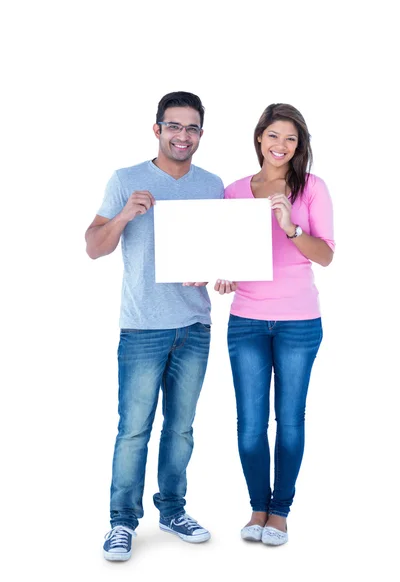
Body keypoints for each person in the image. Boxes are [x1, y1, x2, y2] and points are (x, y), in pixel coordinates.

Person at [85, 91, 224, 561]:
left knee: (181, 428)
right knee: (134, 430)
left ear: (200, 134)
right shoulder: (127, 180)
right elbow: (94, 247)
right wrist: (126, 213)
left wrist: (215, 269)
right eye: (174, 126)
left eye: (192, 128)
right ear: (157, 129)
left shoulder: (211, 184)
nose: (183, 136)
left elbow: (220, 252)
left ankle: (172, 509)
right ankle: (122, 522)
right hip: (142, 327)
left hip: (195, 325)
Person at [215, 103, 334, 546]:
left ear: (299, 144)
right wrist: (222, 271)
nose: (281, 146)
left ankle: (280, 512)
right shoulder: (233, 191)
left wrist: (290, 226)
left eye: (290, 138)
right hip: (246, 320)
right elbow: (223, 251)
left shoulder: (312, 189)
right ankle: (256, 508)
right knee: (249, 424)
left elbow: (326, 255)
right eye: (273, 136)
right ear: (259, 138)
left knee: (289, 421)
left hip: (299, 322)